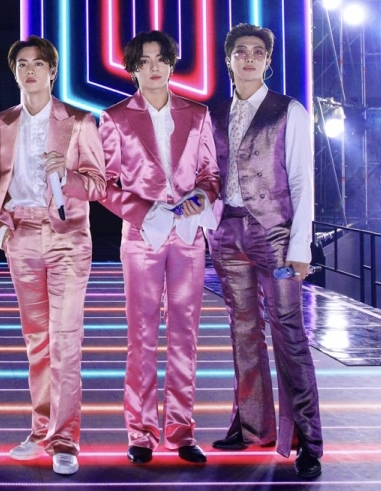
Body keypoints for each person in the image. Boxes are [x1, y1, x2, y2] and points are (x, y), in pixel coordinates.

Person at [98, 30, 220, 465]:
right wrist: (145, 210)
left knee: (187, 336)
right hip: (142, 238)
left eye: (161, 59)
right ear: (132, 69)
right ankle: (141, 432)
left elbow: (210, 173)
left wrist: (202, 196)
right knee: (142, 337)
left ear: (171, 64)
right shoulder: (114, 117)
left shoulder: (197, 114)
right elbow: (104, 184)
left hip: (189, 237)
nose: (153, 67)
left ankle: (182, 431)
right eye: (144, 61)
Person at [206, 23, 322, 479]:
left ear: (268, 61)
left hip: (275, 236)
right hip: (227, 232)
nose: (249, 58)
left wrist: (300, 245)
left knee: (289, 333)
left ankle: (308, 440)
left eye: (258, 52)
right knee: (243, 332)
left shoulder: (288, 110)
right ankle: (253, 427)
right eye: (241, 51)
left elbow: (302, 181)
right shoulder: (214, 113)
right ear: (228, 59)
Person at [0, 35, 106, 476]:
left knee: (66, 340)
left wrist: (68, 175)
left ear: (52, 71)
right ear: (14, 71)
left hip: (67, 238)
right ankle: (40, 430)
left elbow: (99, 184)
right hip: (20, 234)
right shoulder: (0, 124)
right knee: (36, 341)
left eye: (39, 63)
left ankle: (65, 439)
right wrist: (0, 230)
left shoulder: (79, 121)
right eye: (22, 63)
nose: (30, 70)